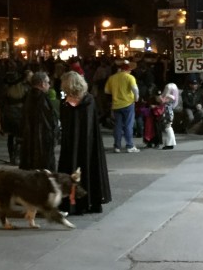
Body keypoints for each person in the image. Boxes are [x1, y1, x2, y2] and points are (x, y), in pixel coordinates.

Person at [57, 70, 111, 214]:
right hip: (90, 143)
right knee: (90, 169)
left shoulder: (67, 104)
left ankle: (73, 203)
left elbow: (67, 124)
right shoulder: (89, 100)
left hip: (72, 144)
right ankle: (91, 201)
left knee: (72, 169)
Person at [19, 71, 57, 171]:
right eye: (48, 82)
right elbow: (47, 123)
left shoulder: (29, 96)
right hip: (42, 143)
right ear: (42, 83)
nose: (49, 85)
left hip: (30, 140)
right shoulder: (41, 99)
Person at [104, 58, 140, 153]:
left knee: (117, 126)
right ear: (127, 70)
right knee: (128, 125)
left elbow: (106, 91)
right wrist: (136, 98)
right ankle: (130, 146)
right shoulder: (129, 77)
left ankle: (117, 146)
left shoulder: (112, 78)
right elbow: (135, 89)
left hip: (116, 105)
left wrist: (115, 91)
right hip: (128, 104)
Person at [159, 82, 181, 150]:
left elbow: (162, 100)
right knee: (168, 127)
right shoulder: (173, 97)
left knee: (167, 127)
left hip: (167, 113)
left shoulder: (170, 96)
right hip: (169, 113)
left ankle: (169, 143)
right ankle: (169, 143)